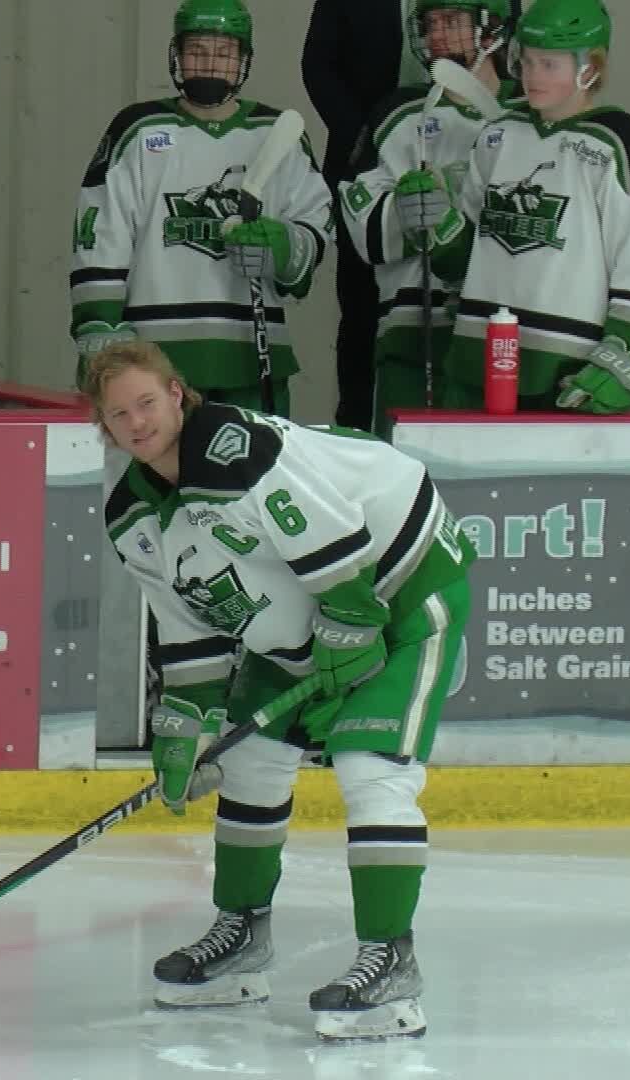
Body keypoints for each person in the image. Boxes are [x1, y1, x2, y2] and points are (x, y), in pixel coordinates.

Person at [87, 340, 474, 1041]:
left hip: (401, 590)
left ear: (178, 394)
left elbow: (339, 539)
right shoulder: (132, 520)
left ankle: (392, 960)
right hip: (298, 626)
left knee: (370, 767)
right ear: (105, 429)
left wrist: (351, 628)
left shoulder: (239, 452)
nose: (136, 421)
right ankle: (243, 937)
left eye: (146, 401)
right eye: (118, 414)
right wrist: (187, 724)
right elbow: (193, 631)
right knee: (250, 764)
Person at [71, 0, 333, 418]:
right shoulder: (138, 130)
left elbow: (316, 222)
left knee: (253, 480)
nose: (210, 64)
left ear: (243, 60)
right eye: (197, 51)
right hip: (152, 358)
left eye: (224, 53)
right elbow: (101, 230)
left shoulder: (276, 133)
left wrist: (281, 247)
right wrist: (98, 320)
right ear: (176, 55)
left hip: (250, 353)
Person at [408, 0, 630, 413]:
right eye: (526, 62)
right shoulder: (498, 136)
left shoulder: (619, 142)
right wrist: (437, 221)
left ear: (591, 68)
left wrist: (629, 352)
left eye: (549, 65)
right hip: (475, 360)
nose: (531, 76)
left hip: (567, 372)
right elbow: (462, 264)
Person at [303, 0, 526, 430]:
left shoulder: (532, 117)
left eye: (453, 23)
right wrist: (403, 215)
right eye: (430, 25)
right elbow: (363, 226)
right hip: (413, 331)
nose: (438, 37)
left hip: (511, 338)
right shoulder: (396, 118)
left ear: (492, 28)